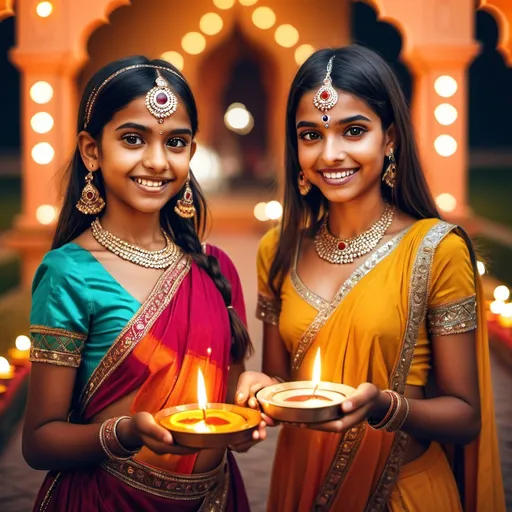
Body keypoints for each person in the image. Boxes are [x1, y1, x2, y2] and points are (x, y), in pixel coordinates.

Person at [236, 45, 505, 512]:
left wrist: (383, 407)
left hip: (401, 494)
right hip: (301, 487)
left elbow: (465, 417)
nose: (330, 153)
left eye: (354, 130)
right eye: (310, 135)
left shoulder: (437, 250)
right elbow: (286, 383)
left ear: (390, 138)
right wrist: (257, 390)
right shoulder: (277, 249)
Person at [23, 55, 263, 511]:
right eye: (133, 139)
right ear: (92, 150)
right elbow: (38, 442)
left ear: (191, 153)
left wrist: (247, 398)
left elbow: (220, 397)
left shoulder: (214, 266)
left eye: (175, 142)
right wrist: (125, 433)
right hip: (107, 499)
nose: (157, 161)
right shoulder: (69, 273)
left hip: (216, 499)